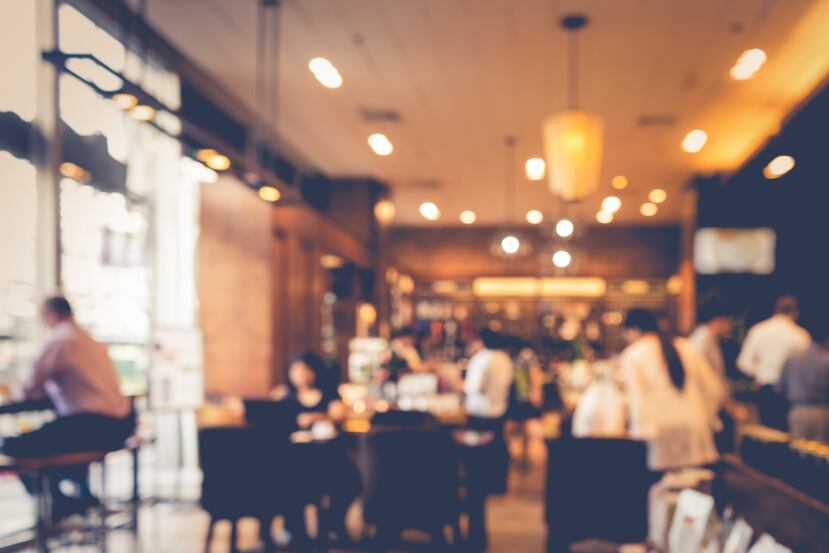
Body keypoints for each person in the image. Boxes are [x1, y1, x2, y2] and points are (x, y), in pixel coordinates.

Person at [2, 296, 134, 519]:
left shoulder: (60, 340)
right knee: (57, 436)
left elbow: (28, 387)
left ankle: (59, 503)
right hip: (121, 425)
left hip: (92, 426)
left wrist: (16, 390)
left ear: (50, 317)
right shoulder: (90, 340)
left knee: (12, 445)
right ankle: (80, 497)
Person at [620, 309, 725, 471]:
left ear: (633, 330)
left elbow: (637, 399)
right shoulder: (686, 346)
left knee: (666, 489)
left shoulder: (634, 354)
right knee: (693, 487)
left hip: (659, 431)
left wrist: (639, 434)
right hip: (694, 426)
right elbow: (714, 388)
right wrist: (708, 418)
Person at [271, 352, 358, 546]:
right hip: (295, 459)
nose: (300, 375)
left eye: (305, 370)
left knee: (350, 482)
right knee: (287, 481)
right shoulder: (285, 396)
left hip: (328, 455)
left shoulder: (329, 393)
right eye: (296, 371)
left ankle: (332, 523)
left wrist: (314, 417)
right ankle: (296, 531)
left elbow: (338, 414)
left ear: (315, 372)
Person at [737, 295, 811, 429]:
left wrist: (760, 373)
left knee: (767, 432)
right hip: (790, 391)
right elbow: (806, 366)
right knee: (787, 432)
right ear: (795, 313)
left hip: (765, 387)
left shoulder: (759, 331)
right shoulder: (800, 335)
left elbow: (744, 363)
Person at [776, 319, 829, 442]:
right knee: (821, 455)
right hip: (823, 411)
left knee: (798, 454)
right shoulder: (826, 359)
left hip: (797, 411)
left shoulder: (793, 357)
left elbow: (779, 387)